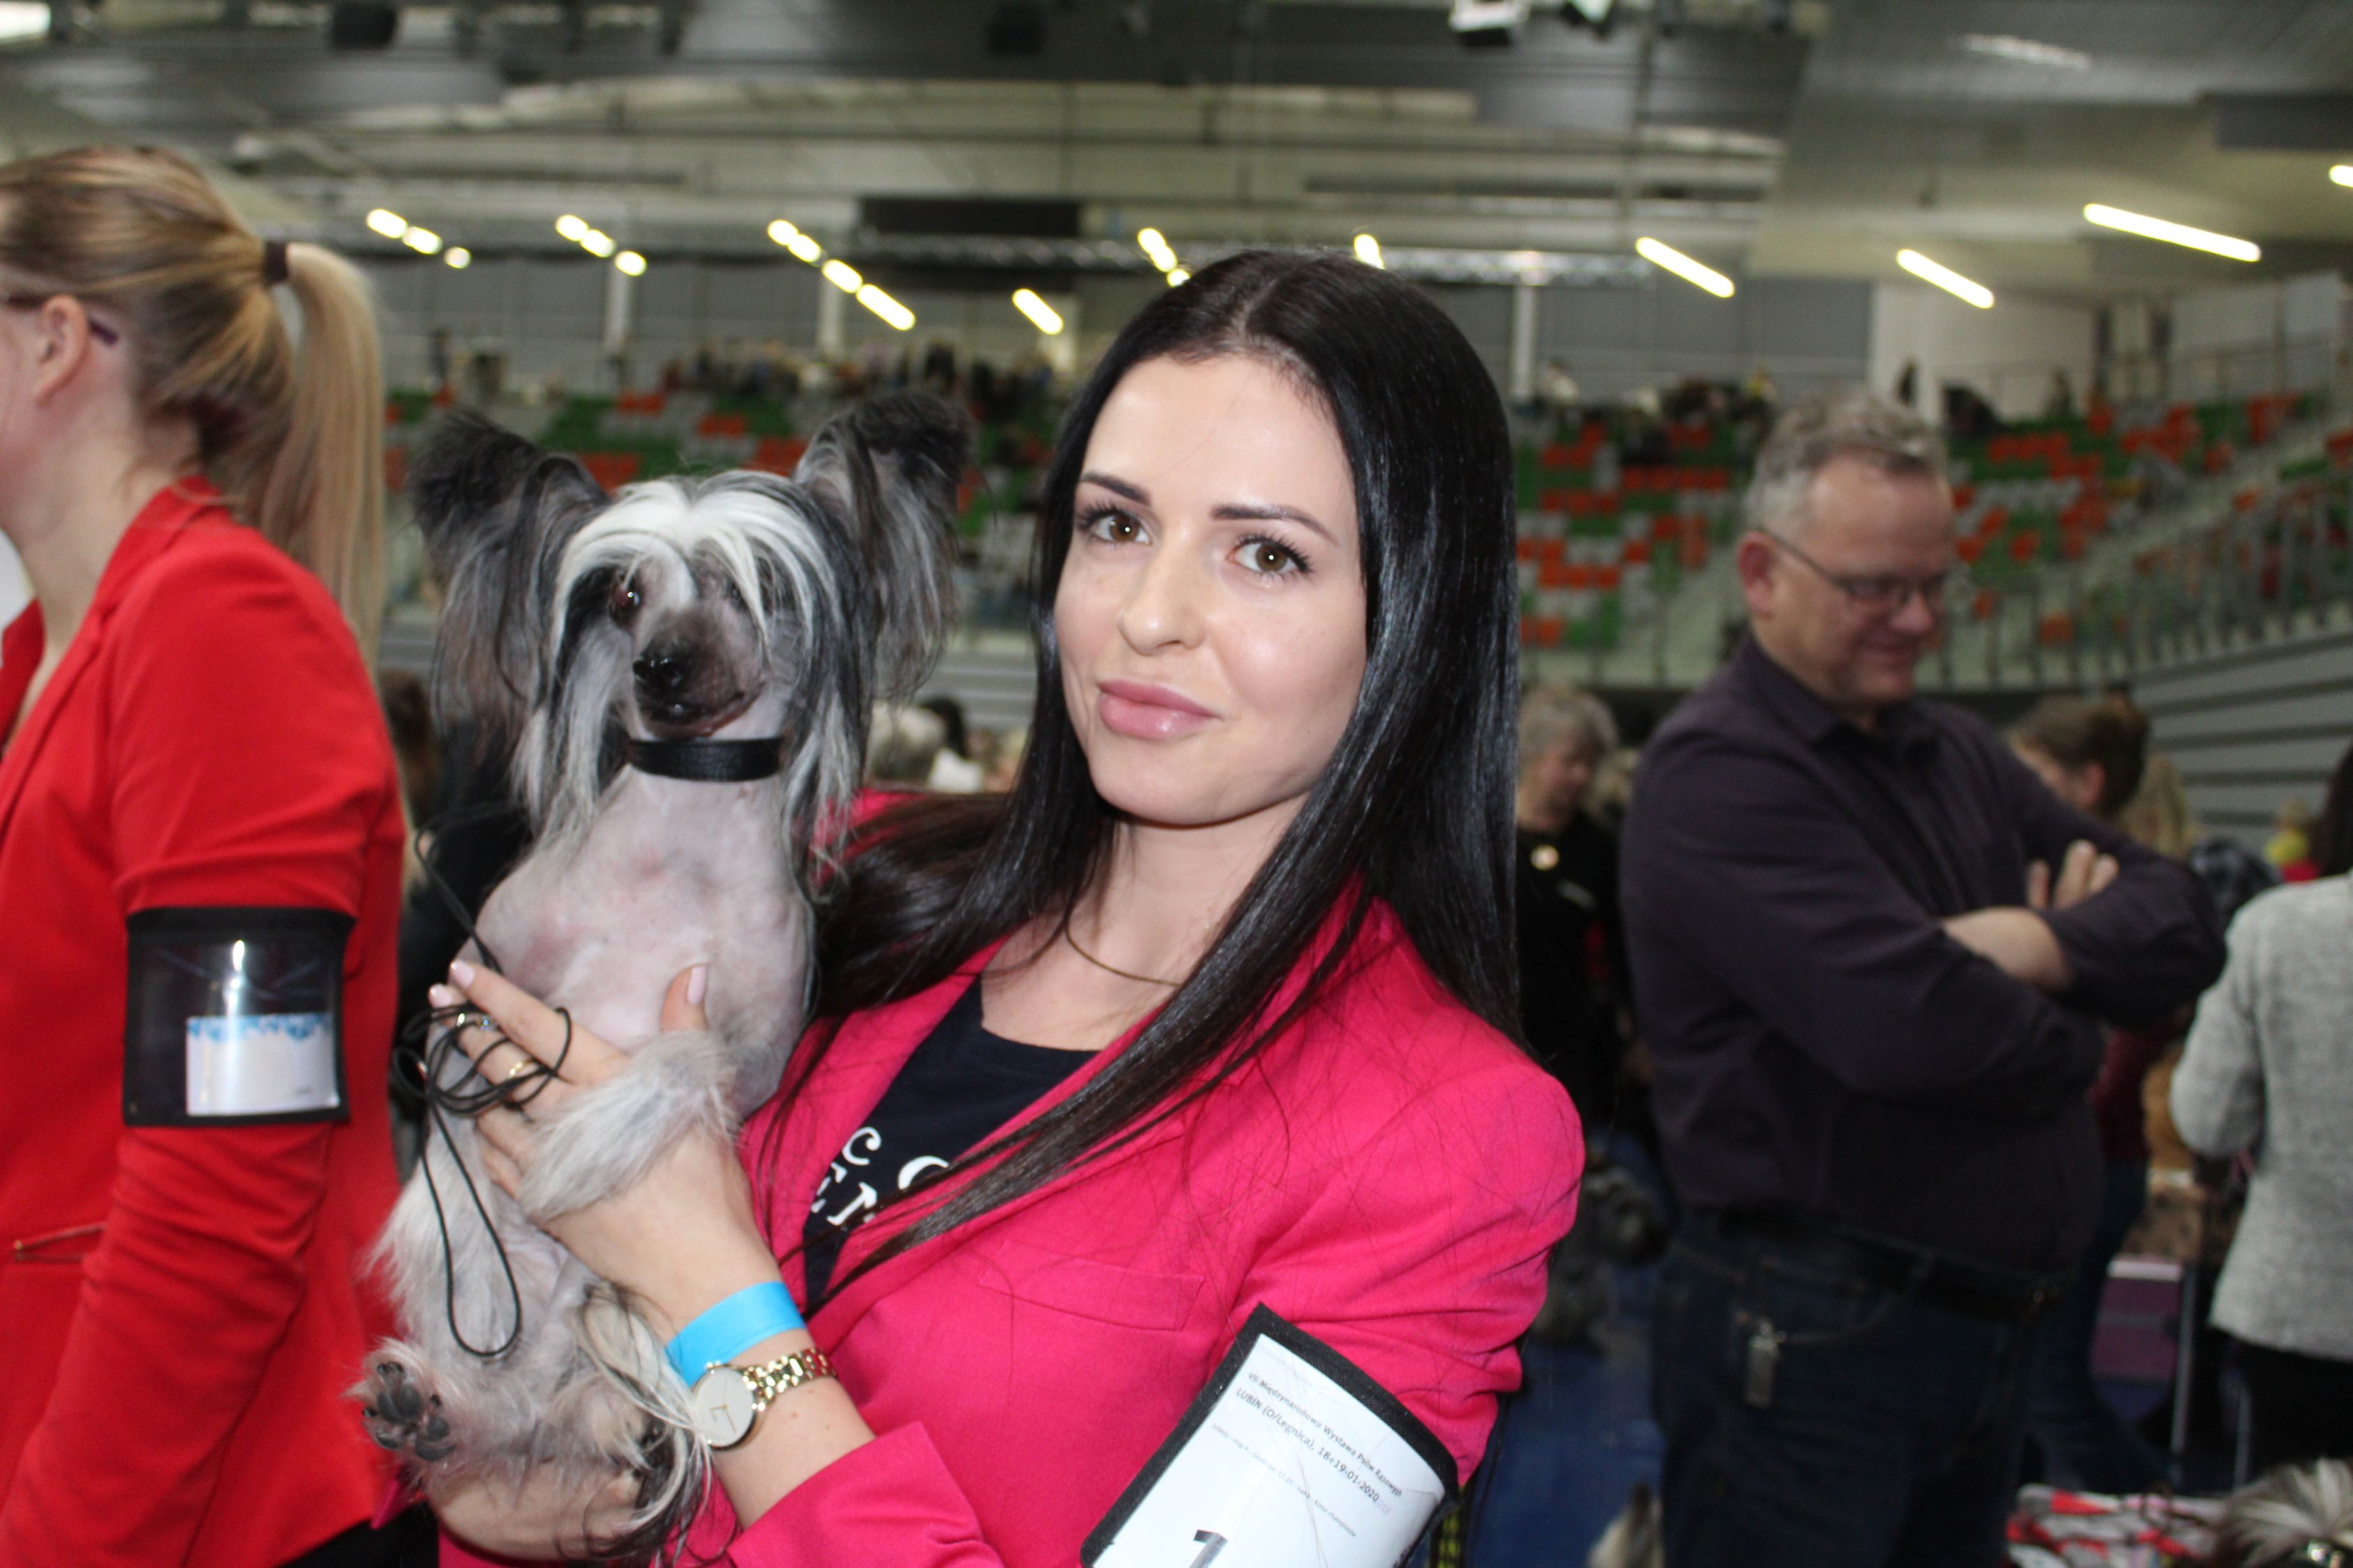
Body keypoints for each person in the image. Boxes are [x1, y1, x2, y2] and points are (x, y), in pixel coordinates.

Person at [422, 249, 1584, 1565]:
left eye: (1266, 554)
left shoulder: (1445, 1145)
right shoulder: (841, 879)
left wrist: (707, 1288)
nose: (1149, 615)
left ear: (1417, 620)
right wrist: (513, 1495)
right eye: (1116, 526)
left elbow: (694, 1293)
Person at [1621, 389, 2224, 1568]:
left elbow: (2182, 916)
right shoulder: (1720, 773)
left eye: (1934, 585)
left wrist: (2029, 945)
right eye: (1874, 588)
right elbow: (1911, 1027)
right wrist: (2082, 1023)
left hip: (1971, 1335)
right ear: (1761, 574)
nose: (1916, 618)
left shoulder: (1954, 753)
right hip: (1813, 1343)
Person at [0, 147, 411, 1567]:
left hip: (198, 1507)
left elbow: (227, 1174)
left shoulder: (221, 635)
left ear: (55, 342)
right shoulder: (45, 658)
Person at [2171, 736, 2353, 1473]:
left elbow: (2208, 1118)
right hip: (2298, 1309)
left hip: (2301, 1305)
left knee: (2293, 1520)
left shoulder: (2277, 927)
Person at [2009, 694, 2171, 1494]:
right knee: (2016, 1395)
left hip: (2089, 1162)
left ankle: (2159, 1510)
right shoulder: (2052, 883)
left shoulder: (2125, 899)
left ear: (2085, 782)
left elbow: (2105, 1062)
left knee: (2053, 1393)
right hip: (2059, 1159)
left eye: (2033, 776)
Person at [1514, 684, 1632, 1130]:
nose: (1581, 776)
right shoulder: (1486, 834)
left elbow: (1621, 941)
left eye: (1590, 764)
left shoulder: (1600, 844)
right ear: (1534, 755)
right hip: (1498, 1021)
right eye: (1569, 761)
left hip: (1573, 1033)